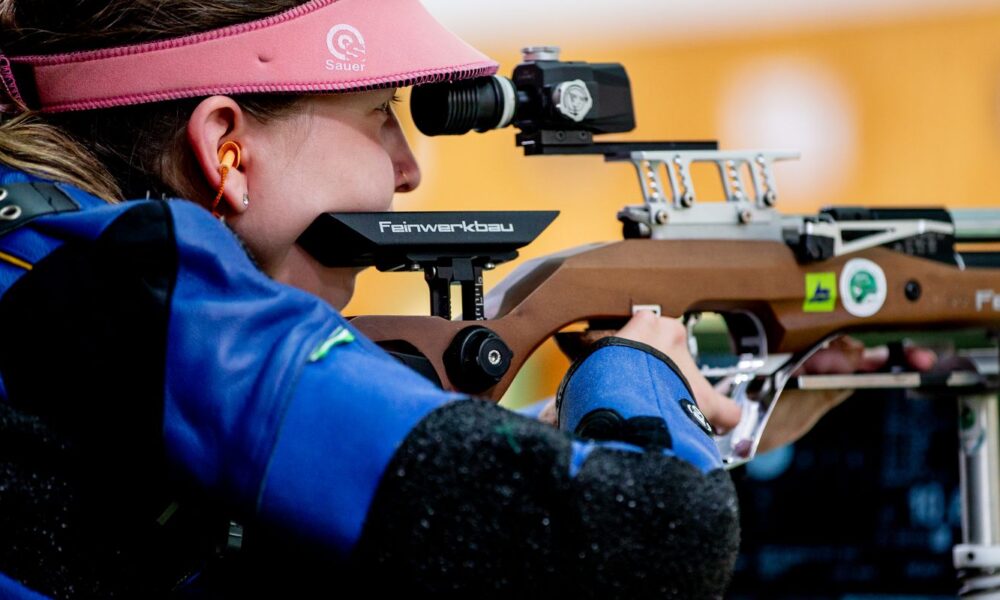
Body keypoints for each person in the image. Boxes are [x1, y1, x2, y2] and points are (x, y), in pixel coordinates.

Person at [0, 0, 931, 597]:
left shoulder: (47, 259)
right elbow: (657, 542)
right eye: (380, 116)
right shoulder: (148, 297)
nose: (408, 169)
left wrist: (672, 429)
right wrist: (636, 379)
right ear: (226, 148)